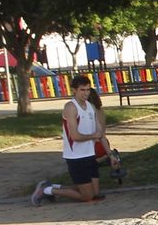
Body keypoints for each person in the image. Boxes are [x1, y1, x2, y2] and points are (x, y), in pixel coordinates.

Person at [31, 75, 108, 205]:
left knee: (94, 193)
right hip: (76, 156)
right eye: (82, 90)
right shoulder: (71, 107)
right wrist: (93, 136)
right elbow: (75, 136)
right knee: (87, 197)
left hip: (90, 154)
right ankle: (47, 190)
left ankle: (53, 186)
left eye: (88, 90)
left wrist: (109, 153)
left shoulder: (90, 107)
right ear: (74, 90)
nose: (86, 93)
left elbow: (99, 130)